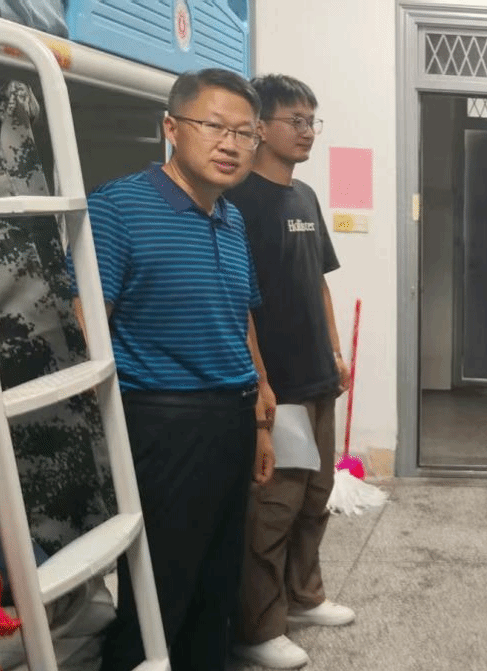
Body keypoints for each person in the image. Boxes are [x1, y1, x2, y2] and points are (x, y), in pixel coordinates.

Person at [70, 68, 276, 671]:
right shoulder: (117, 207)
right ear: (171, 127)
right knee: (161, 586)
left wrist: (261, 399)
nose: (230, 144)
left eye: (245, 133)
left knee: (218, 582)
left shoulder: (230, 217)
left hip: (231, 415)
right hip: (161, 421)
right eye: (213, 126)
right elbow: (88, 324)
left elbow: (240, 313)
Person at [226, 74, 353, 670]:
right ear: (260, 126)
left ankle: (304, 596)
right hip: (278, 387)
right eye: (295, 120)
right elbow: (240, 303)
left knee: (317, 497)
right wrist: (261, 382)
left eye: (311, 120)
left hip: (317, 375)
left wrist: (335, 350)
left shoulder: (304, 197)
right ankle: (258, 627)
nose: (307, 132)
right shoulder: (239, 201)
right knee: (274, 508)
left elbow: (318, 281)